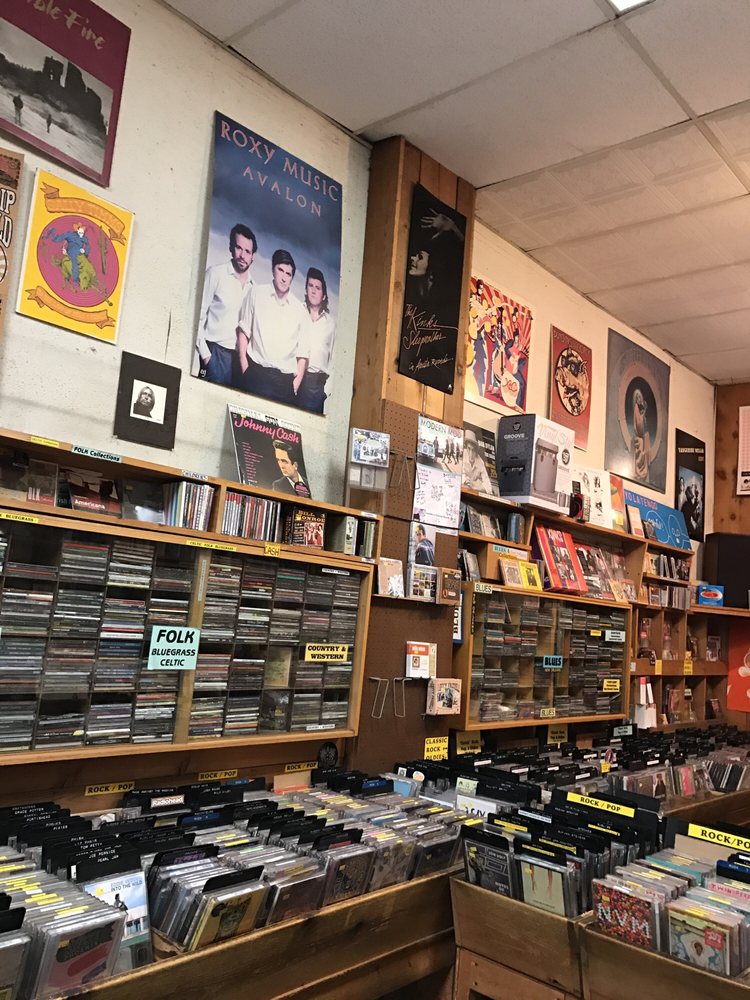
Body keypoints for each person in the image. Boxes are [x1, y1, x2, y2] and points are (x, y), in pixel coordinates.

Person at [237, 249, 308, 405]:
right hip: (256, 375)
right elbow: (243, 332)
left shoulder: (300, 310)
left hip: (285, 385)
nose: (284, 277)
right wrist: (245, 370)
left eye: (288, 274)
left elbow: (303, 355)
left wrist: (294, 387)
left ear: (292, 277)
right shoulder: (256, 293)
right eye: (280, 270)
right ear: (273, 270)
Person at [196, 223, 256, 387]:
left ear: (253, 256)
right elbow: (197, 316)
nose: (242, 255)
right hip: (216, 353)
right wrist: (207, 356)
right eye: (239, 248)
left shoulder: (254, 289)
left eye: (247, 251)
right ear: (231, 248)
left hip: (240, 360)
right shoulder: (215, 274)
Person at [297, 267, 335, 414]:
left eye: (317, 288)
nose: (313, 290)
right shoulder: (297, 312)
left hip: (315, 385)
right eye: (310, 286)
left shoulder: (330, 324)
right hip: (293, 376)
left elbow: (333, 359)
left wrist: (326, 391)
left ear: (323, 295)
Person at [45, 221, 94, 289]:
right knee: (75, 265)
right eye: (80, 232)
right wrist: (52, 233)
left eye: (82, 233)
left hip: (80, 253)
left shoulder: (84, 238)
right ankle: (75, 280)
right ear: (77, 231)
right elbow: (58, 239)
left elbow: (87, 246)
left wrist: (84, 251)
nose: (81, 234)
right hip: (72, 252)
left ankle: (89, 278)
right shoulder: (70, 235)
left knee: (87, 264)